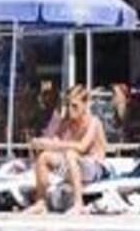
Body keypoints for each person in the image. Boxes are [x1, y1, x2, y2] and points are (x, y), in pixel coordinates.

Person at [26, 83, 109, 214]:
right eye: (68, 105)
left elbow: (82, 147)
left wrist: (53, 145)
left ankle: (79, 203)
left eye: (75, 106)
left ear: (85, 104)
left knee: (71, 154)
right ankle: (41, 202)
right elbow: (54, 142)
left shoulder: (94, 122)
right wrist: (41, 143)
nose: (70, 110)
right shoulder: (67, 122)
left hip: (96, 169)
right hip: (75, 167)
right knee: (44, 157)